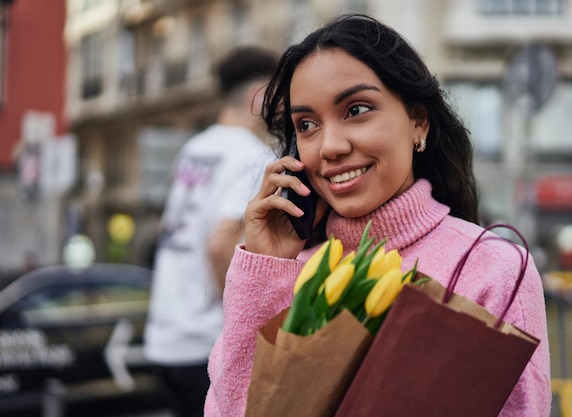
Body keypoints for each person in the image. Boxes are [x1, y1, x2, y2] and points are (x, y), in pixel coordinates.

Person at [204, 14, 551, 417]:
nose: (329, 146)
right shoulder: (287, 270)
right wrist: (263, 268)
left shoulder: (491, 268)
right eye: (307, 124)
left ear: (418, 122)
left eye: (357, 109)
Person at [143, 45, 278, 417]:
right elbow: (220, 245)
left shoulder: (193, 148)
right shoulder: (252, 155)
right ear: (257, 95)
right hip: (204, 340)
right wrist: (242, 321)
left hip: (163, 337)